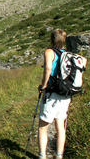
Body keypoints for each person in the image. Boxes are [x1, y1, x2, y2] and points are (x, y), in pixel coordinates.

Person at [37, 29, 70, 159]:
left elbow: (48, 68)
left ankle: (42, 156)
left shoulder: (49, 52)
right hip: (65, 94)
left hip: (52, 93)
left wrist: (43, 86)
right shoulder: (67, 53)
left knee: (43, 127)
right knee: (60, 127)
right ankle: (59, 155)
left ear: (52, 39)